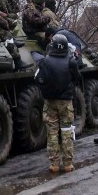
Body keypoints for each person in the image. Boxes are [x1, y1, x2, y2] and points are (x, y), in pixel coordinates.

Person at [35, 33, 81, 173]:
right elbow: (77, 78)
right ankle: (68, 164)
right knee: (66, 132)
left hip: (50, 101)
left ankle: (54, 164)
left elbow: (37, 78)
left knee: (52, 133)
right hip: (66, 101)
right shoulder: (71, 61)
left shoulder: (44, 61)